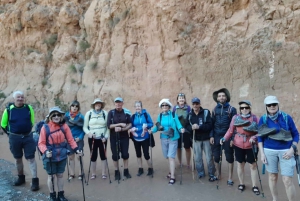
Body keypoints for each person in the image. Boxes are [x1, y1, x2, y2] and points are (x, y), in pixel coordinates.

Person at [257, 96, 299, 201]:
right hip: (269, 151)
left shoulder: (286, 117)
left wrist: (292, 149)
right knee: (272, 177)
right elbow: (260, 137)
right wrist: (262, 154)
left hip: (286, 151)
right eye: (269, 105)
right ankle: (275, 199)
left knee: (287, 180)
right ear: (266, 106)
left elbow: (296, 135)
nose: (272, 106)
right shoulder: (263, 119)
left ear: (277, 105)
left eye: (274, 104)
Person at [38, 106, 83, 201]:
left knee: (60, 175)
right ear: (50, 116)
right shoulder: (45, 127)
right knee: (51, 175)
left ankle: (61, 195)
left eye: (58, 114)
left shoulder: (64, 126)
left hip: (61, 155)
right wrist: (45, 151)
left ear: (61, 116)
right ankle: (52, 196)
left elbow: (70, 140)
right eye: (54, 115)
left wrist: (76, 149)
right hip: (49, 155)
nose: (56, 116)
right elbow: (41, 143)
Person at [0, 91, 39, 191]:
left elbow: (32, 121)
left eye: (22, 97)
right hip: (14, 137)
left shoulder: (28, 108)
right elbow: (3, 125)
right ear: (14, 99)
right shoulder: (9, 109)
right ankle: (21, 178)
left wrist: (27, 131)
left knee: (31, 158)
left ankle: (35, 181)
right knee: (18, 158)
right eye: (18, 97)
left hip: (28, 137)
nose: (20, 99)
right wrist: (10, 134)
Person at [221, 100, 260, 195]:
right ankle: (241, 183)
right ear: (240, 109)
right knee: (240, 164)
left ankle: (254, 185)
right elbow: (231, 130)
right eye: (242, 108)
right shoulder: (235, 118)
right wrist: (224, 138)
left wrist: (254, 137)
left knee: (253, 165)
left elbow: (260, 131)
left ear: (249, 108)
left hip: (251, 145)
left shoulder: (255, 118)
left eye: (246, 107)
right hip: (238, 144)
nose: (244, 109)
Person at [149, 98, 184, 185]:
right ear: (161, 107)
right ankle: (170, 171)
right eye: (163, 105)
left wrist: (181, 129)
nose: (164, 106)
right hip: (164, 138)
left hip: (173, 138)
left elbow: (178, 124)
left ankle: (172, 176)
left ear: (169, 106)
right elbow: (157, 126)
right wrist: (151, 131)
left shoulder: (173, 114)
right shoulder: (160, 116)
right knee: (167, 156)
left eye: (166, 105)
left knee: (171, 157)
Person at [209, 88, 237, 186]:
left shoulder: (232, 109)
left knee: (229, 157)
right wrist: (211, 136)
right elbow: (211, 124)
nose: (221, 97)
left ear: (226, 97)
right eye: (219, 96)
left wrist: (232, 138)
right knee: (216, 156)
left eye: (223, 96)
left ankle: (230, 177)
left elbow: (235, 126)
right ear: (217, 98)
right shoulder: (214, 109)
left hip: (227, 136)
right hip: (216, 135)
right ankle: (218, 174)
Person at [186, 97, 215, 180]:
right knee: (198, 158)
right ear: (192, 105)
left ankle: (211, 173)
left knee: (209, 158)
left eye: (197, 104)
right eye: (194, 104)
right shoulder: (190, 114)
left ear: (199, 104)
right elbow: (186, 126)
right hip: (196, 140)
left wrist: (199, 127)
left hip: (206, 139)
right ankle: (201, 173)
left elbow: (210, 125)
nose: (195, 105)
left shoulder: (205, 112)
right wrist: (191, 128)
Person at [83, 98, 110, 179]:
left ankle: (103, 173)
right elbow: (85, 127)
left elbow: (108, 127)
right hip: (92, 138)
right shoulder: (89, 113)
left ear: (101, 105)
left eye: (99, 103)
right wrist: (89, 133)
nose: (98, 105)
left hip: (102, 138)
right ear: (94, 105)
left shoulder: (105, 113)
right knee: (93, 155)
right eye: (96, 103)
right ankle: (93, 173)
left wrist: (106, 136)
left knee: (103, 155)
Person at [107, 97, 132, 180]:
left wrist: (122, 129)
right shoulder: (111, 113)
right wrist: (120, 124)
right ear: (114, 104)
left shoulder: (126, 112)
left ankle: (126, 170)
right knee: (115, 155)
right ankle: (116, 172)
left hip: (124, 136)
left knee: (125, 154)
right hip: (114, 137)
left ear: (122, 103)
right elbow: (109, 125)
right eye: (116, 103)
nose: (118, 104)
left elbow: (130, 124)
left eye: (120, 102)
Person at [129, 101, 154, 176]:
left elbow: (151, 123)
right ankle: (140, 169)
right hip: (136, 138)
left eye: (139, 106)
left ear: (141, 107)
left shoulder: (146, 114)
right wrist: (132, 129)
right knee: (138, 154)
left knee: (146, 154)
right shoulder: (133, 116)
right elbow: (131, 125)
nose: (137, 108)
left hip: (145, 137)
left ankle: (150, 168)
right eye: (136, 106)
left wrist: (146, 125)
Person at [64, 100, 85, 180]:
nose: (74, 108)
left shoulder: (81, 117)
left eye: (76, 106)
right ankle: (72, 174)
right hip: (69, 139)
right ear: (70, 107)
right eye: (73, 106)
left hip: (78, 139)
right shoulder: (66, 116)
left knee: (79, 156)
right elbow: (63, 128)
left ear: (78, 108)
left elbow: (84, 128)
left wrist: (80, 137)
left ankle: (80, 173)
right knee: (71, 157)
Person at [173, 93, 192, 168]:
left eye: (182, 98)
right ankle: (180, 162)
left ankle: (188, 163)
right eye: (180, 98)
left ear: (184, 99)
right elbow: (173, 119)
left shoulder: (188, 108)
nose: (181, 99)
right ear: (177, 100)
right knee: (179, 147)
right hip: (178, 131)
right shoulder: (175, 108)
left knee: (187, 147)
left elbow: (190, 118)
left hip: (186, 130)